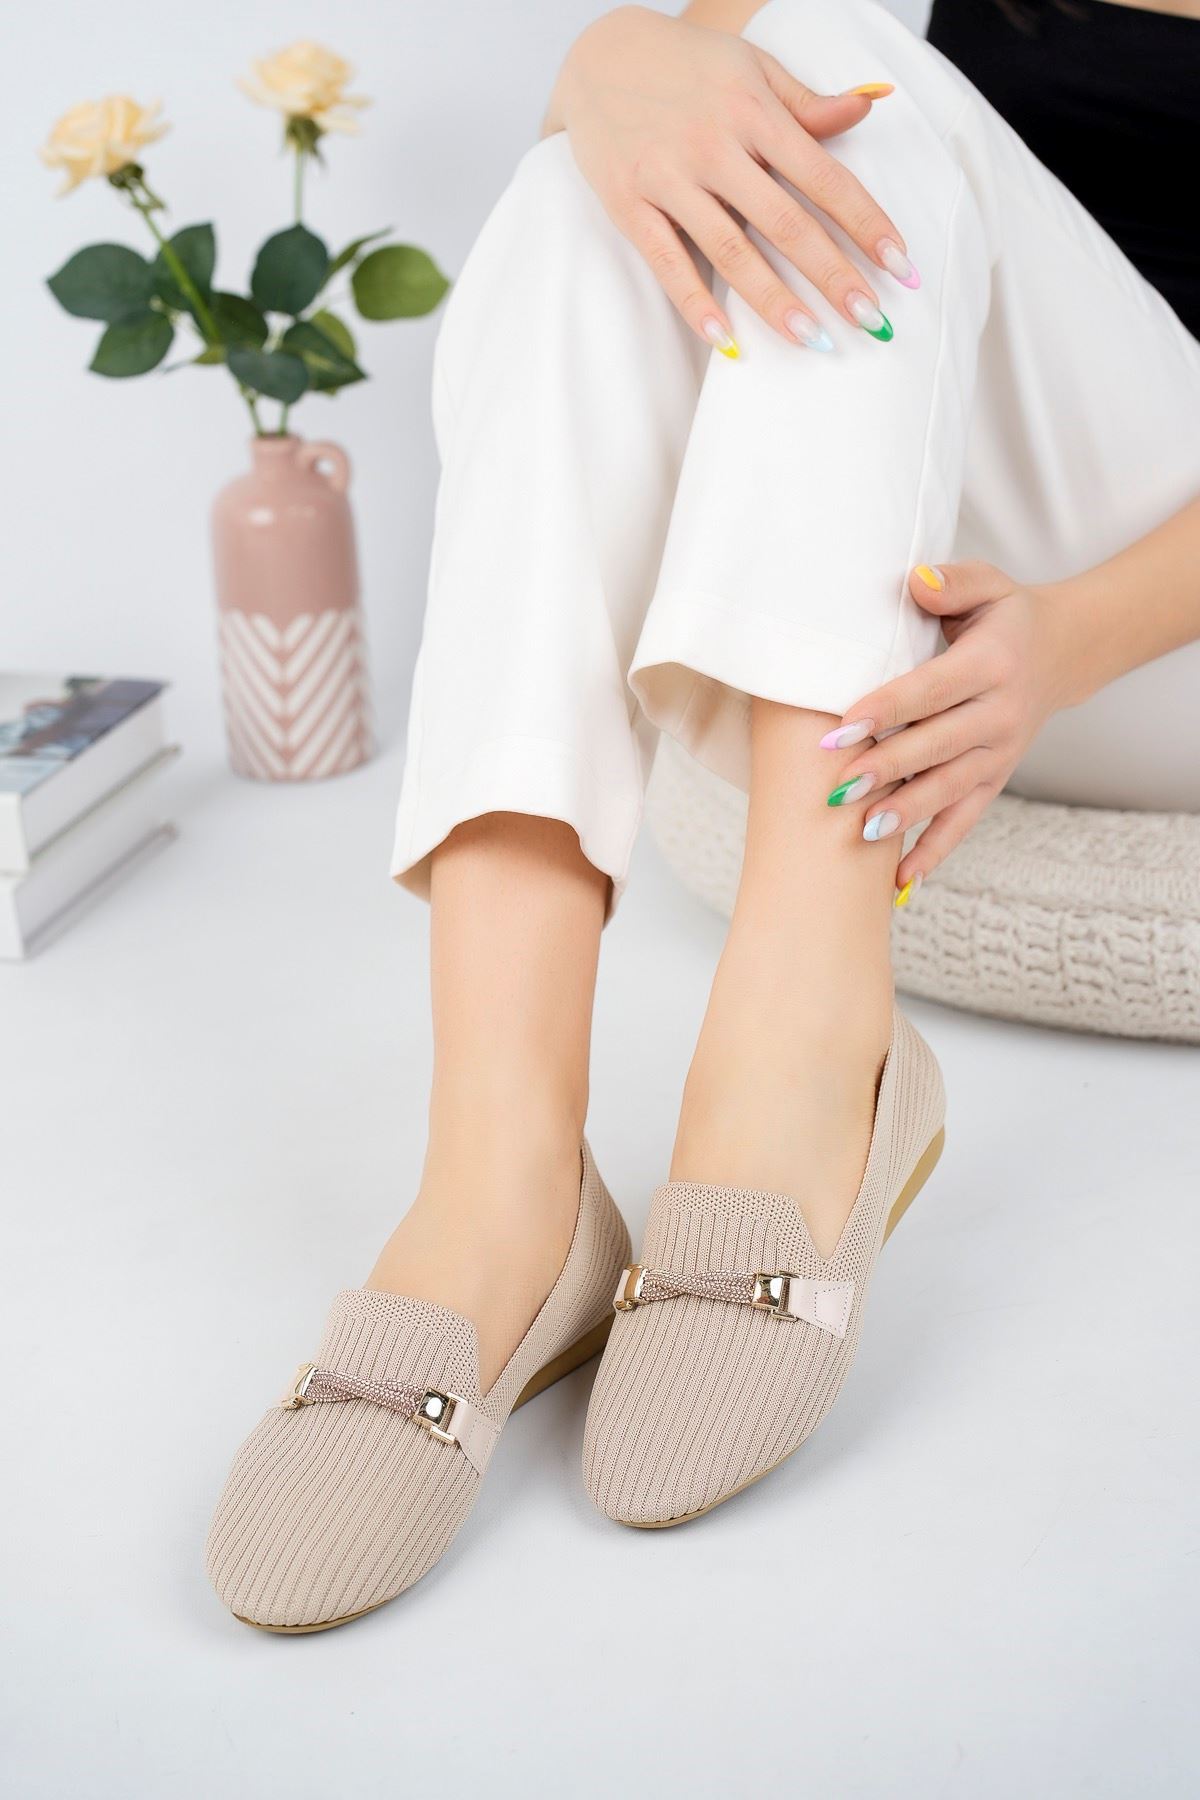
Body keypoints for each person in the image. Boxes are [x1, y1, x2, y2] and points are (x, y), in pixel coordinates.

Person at [206, 0, 1200, 1630]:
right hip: (924, 577)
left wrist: (1071, 640)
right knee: (597, 183)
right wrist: (606, 63)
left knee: (846, 78)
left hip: (1152, 638)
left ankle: (804, 1045)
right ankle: (500, 1176)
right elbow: (649, 160)